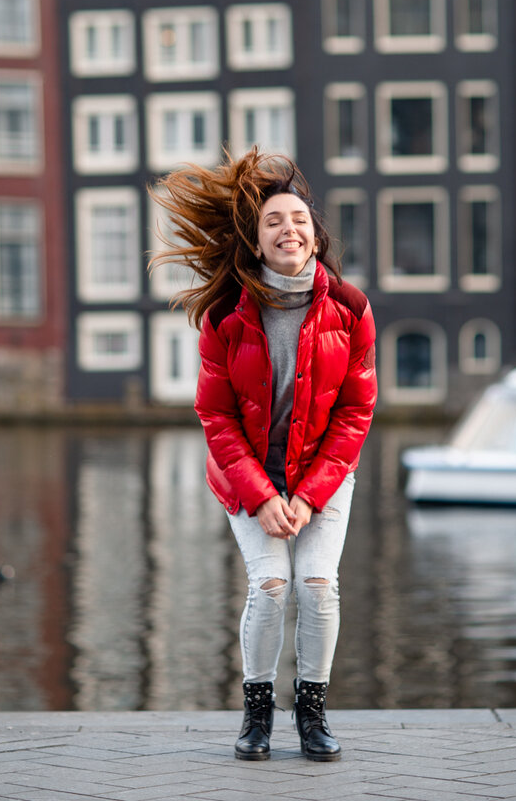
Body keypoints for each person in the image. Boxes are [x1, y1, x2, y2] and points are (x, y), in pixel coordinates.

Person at [149, 149, 376, 762]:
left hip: (324, 474)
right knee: (272, 585)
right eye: (273, 221)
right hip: (246, 477)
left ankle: (312, 713)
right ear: (256, 241)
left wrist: (309, 494)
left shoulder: (350, 308)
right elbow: (216, 417)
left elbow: (356, 412)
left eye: (298, 220)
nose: (288, 229)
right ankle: (257, 715)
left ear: (315, 236)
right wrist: (262, 495)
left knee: (318, 585)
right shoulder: (225, 316)